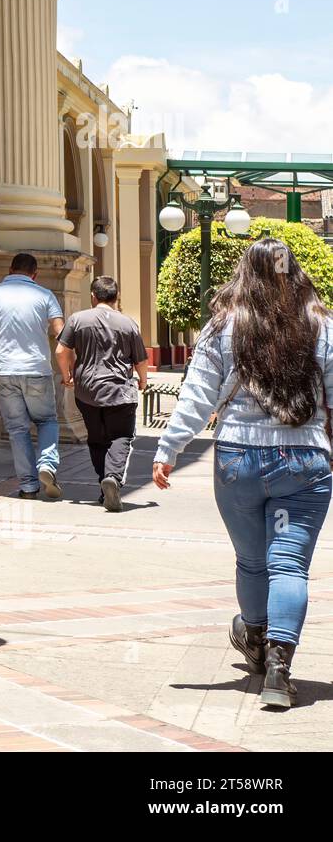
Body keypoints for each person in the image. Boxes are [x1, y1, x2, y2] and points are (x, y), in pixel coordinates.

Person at [153, 239, 333, 710]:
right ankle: (279, 666)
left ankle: (255, 639)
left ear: (245, 273)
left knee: (253, 562)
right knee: (289, 565)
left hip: (238, 459)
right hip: (305, 460)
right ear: (293, 272)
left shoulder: (224, 326)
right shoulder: (322, 325)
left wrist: (169, 448)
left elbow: (197, 394)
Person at [56, 275, 149, 513]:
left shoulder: (77, 319)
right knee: (121, 437)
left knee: (97, 439)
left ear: (93, 296)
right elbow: (140, 360)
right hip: (119, 391)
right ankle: (113, 478)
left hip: (87, 391)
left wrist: (67, 376)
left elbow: (60, 351)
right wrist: (143, 381)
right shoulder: (128, 324)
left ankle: (104, 484)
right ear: (117, 297)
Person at [0, 252, 65, 500]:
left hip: (4, 370)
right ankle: (47, 464)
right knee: (47, 420)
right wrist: (68, 369)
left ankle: (28, 486)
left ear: (11, 270)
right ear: (34, 274)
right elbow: (61, 333)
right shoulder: (45, 295)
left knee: (17, 429)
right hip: (37, 369)